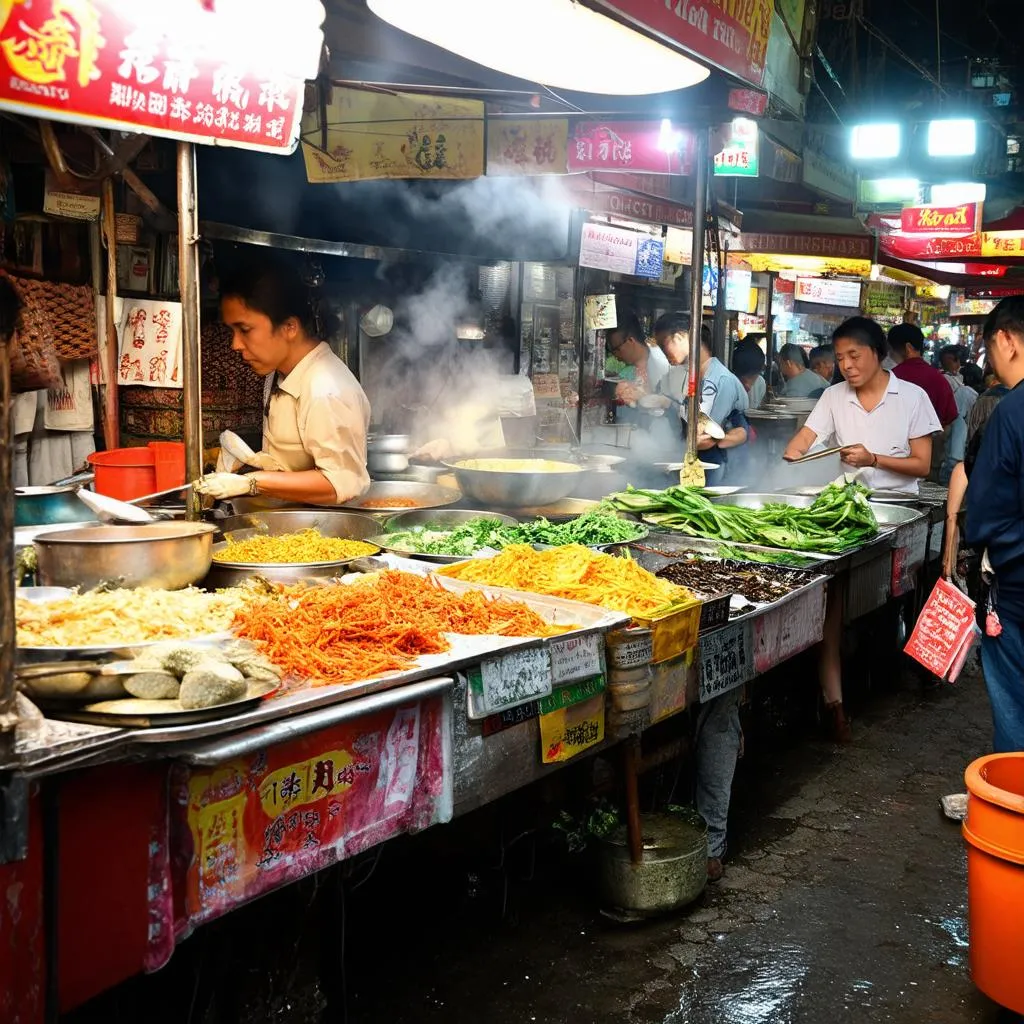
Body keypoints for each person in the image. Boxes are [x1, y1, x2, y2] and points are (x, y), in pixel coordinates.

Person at [783, 316, 941, 741]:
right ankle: (834, 704)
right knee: (834, 602)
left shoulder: (911, 397)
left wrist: (873, 459)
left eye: (854, 355)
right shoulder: (834, 396)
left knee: (888, 605)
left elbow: (922, 464)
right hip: (848, 511)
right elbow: (804, 440)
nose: (847, 365)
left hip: (897, 509)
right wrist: (794, 454)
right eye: (839, 358)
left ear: (877, 353)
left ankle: (888, 671)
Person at [194, 260, 370, 505]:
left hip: (324, 534)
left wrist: (253, 482)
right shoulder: (279, 372)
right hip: (288, 525)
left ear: (289, 327)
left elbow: (341, 483)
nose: (235, 344)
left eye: (245, 330)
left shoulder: (325, 389)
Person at [965, 296, 1024, 752]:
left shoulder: (1011, 410)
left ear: (1006, 340)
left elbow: (986, 511)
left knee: (1013, 698)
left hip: (1017, 583)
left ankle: (1013, 805)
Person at [650, 314, 750, 475]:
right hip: (708, 466)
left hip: (724, 470)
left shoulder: (719, 380)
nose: (663, 353)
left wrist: (671, 451)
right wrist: (666, 403)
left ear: (680, 337)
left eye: (663, 345)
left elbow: (705, 437)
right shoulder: (698, 376)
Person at [886, 323, 958, 427]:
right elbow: (950, 416)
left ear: (908, 348)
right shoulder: (938, 378)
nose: (890, 355)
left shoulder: (891, 377)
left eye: (892, 350)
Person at [607, 311, 670, 406]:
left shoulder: (664, 362)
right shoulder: (626, 372)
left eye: (616, 349)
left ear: (630, 340)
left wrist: (645, 397)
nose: (615, 355)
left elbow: (674, 399)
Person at [939, 346, 978, 485]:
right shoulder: (947, 380)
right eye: (955, 359)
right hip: (952, 424)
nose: (957, 362)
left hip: (954, 426)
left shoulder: (958, 381)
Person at [732, 339, 766, 410]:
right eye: (743, 379)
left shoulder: (760, 383)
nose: (748, 385)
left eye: (752, 378)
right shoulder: (728, 384)